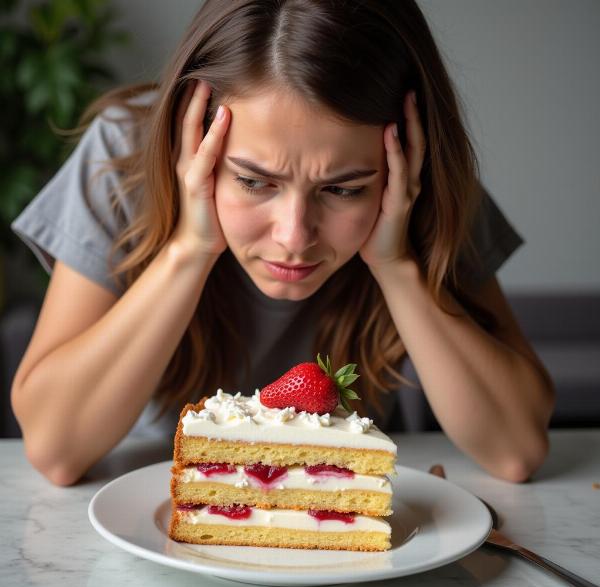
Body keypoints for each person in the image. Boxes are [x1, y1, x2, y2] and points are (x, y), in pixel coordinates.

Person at [10, 0, 554, 487]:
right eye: (252, 181)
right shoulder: (123, 157)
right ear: (194, 140)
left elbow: (516, 451)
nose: (294, 236)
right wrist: (189, 249)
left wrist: (395, 264)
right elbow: (56, 450)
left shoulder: (421, 182)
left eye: (344, 189)